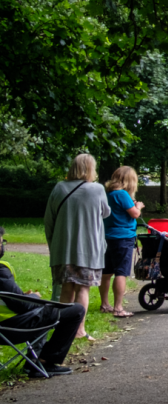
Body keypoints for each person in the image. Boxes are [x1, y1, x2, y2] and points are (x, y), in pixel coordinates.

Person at [0, 225, 85, 377]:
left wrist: (23, 297)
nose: (2, 247)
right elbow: (23, 305)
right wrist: (34, 297)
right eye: (1, 243)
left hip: (8, 326)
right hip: (10, 328)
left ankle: (33, 361)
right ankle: (45, 361)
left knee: (42, 310)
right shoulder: (1, 271)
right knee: (75, 310)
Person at [43, 153, 110, 335]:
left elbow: (49, 220)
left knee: (66, 289)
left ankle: (63, 331)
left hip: (63, 250)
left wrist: (53, 245)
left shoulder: (59, 188)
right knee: (83, 289)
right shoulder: (97, 189)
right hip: (88, 250)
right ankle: (79, 330)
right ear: (91, 169)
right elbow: (106, 212)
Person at [98, 165, 141, 318]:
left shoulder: (108, 194)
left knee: (106, 273)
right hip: (123, 237)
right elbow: (135, 214)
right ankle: (118, 308)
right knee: (121, 273)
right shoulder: (122, 194)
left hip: (107, 236)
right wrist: (138, 206)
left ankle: (105, 304)